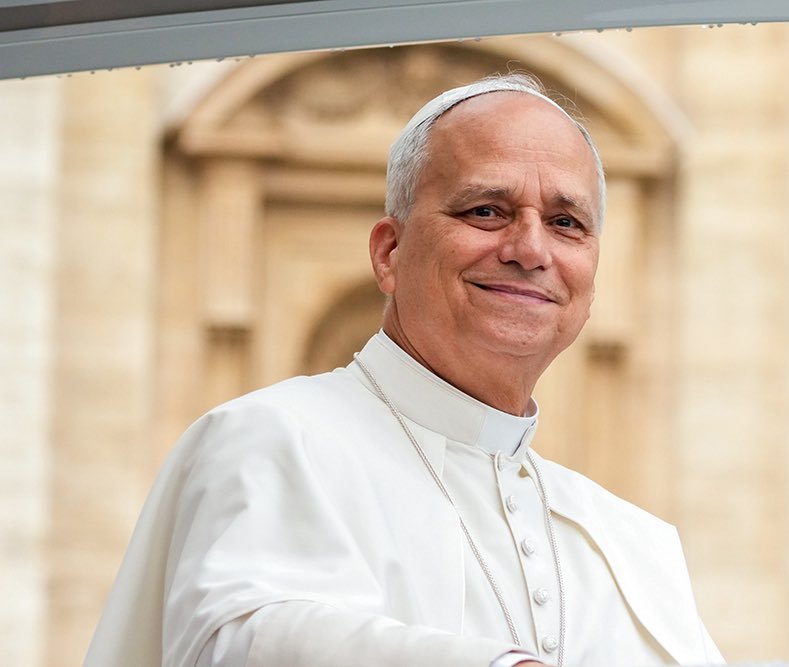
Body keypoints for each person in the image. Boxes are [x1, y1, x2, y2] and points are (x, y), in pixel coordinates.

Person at [85, 73, 722, 667]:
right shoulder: (272, 439)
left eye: (565, 223)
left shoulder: (634, 546)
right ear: (390, 253)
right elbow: (239, 643)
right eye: (486, 211)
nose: (530, 250)